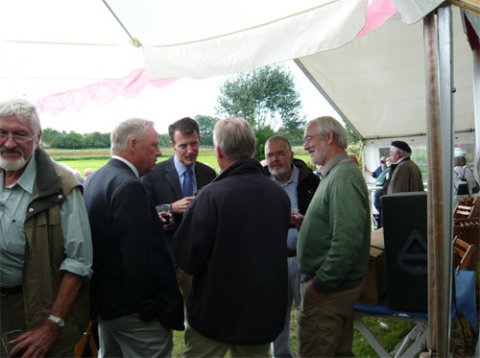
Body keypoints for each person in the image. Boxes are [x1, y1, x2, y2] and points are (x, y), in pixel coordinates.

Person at [173, 117, 291, 358]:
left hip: (215, 313)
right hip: (261, 310)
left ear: (219, 152)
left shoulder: (210, 196)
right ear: (252, 149)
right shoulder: (278, 194)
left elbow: (187, 257)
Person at [83, 118, 184, 357]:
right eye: (154, 145)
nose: (159, 152)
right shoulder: (130, 186)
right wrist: (150, 309)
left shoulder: (98, 178)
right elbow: (136, 258)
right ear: (133, 144)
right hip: (135, 314)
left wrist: (151, 224)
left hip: (108, 306)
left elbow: (110, 234)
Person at [0, 98, 92, 357]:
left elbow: (79, 262)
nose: (9, 143)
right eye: (2, 133)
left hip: (34, 314)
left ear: (37, 137)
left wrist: (51, 325)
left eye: (20, 134)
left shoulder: (61, 187)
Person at [298, 116, 370, 357]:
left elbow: (347, 242)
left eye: (308, 139)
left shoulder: (343, 177)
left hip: (329, 292)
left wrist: (320, 285)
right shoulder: (336, 174)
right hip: (333, 289)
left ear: (329, 137)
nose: (305, 145)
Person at [142, 117, 216, 305]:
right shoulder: (152, 174)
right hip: (168, 260)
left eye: (194, 144)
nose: (190, 151)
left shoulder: (209, 175)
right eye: (183, 146)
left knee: (198, 312)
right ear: (173, 145)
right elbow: (143, 215)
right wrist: (171, 208)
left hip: (200, 260)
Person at [264, 136, 319, 358]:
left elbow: (325, 219)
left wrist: (305, 220)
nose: (275, 159)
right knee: (275, 315)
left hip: (304, 258)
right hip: (273, 261)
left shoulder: (311, 182)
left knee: (309, 315)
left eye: (280, 154)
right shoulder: (261, 183)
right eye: (270, 155)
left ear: (291, 155)